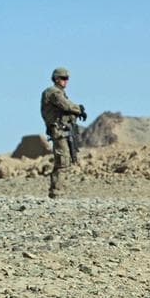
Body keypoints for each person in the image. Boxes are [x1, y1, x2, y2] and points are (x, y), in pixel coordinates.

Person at [40, 67, 87, 199]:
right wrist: (79, 109)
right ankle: (57, 193)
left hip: (63, 131)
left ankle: (56, 192)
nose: (66, 81)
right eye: (63, 78)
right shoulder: (53, 92)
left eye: (67, 79)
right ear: (56, 79)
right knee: (63, 161)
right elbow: (66, 105)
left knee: (64, 161)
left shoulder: (59, 92)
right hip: (59, 131)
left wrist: (75, 113)